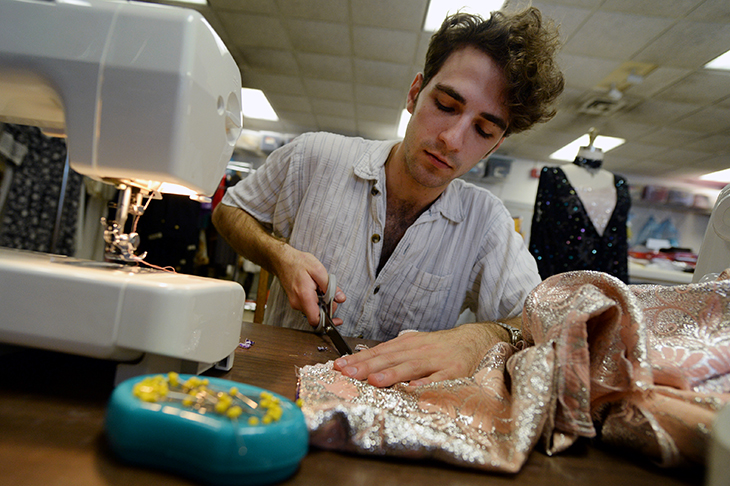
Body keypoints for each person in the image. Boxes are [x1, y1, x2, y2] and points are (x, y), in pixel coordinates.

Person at [213, 8, 564, 388]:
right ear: (415, 93)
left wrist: (479, 337)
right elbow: (229, 212)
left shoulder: (487, 223)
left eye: (482, 129)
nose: (453, 139)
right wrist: (279, 255)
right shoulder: (313, 156)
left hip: (395, 423)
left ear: (494, 146)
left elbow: (540, 321)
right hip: (277, 390)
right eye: (446, 106)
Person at [529, 136, 631, 283]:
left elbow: (620, 239)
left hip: (607, 280)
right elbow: (540, 233)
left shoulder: (620, 184)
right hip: (562, 277)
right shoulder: (554, 177)